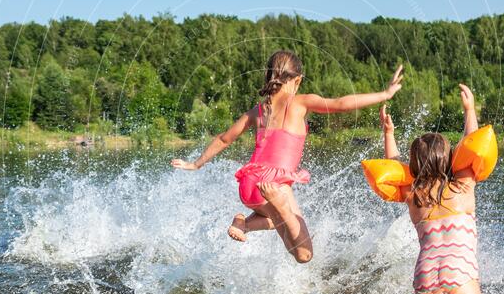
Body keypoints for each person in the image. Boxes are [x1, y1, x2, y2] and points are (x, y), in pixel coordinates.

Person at [172, 50, 403, 263]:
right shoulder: (300, 102)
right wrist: (386, 93)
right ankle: (273, 210)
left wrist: (195, 164)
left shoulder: (257, 111)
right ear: (297, 79)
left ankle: (244, 223)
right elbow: (342, 104)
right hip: (275, 185)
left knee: (278, 226)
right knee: (305, 254)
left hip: (249, 185)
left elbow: (224, 139)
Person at [382, 84, 487, 294]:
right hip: (457, 270)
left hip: (425, 272)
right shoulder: (463, 187)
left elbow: (394, 167)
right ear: (448, 159)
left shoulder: (412, 196)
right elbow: (472, 143)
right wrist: (469, 110)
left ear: (414, 166)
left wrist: (388, 133)